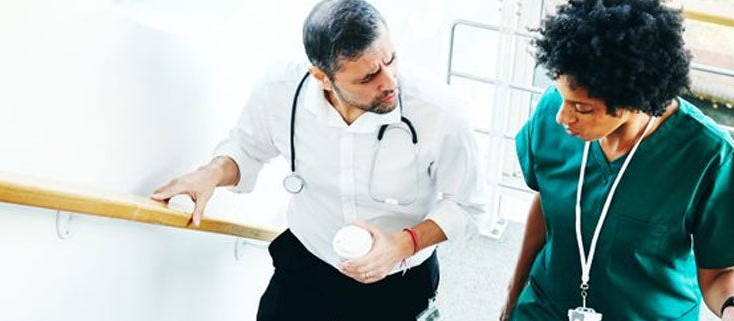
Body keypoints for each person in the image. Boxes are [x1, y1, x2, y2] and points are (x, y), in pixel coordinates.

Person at [149, 0, 485, 319]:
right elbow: (247, 148)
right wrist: (210, 174)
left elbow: (468, 208)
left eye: (391, 60)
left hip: (399, 276)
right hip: (309, 260)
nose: (389, 81)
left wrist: (402, 245)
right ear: (322, 77)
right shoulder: (280, 89)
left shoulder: (442, 113)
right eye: (368, 77)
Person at [500, 0, 734, 320]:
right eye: (562, 96)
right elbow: (547, 204)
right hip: (546, 310)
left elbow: (720, 272)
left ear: (633, 98)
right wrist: (513, 297)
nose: (562, 116)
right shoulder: (552, 113)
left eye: (583, 108)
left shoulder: (707, 155)